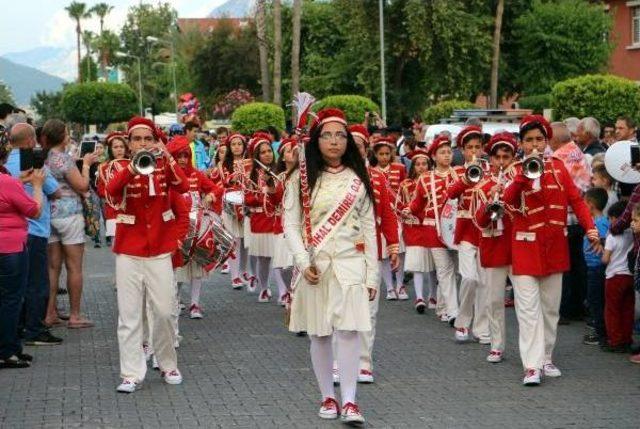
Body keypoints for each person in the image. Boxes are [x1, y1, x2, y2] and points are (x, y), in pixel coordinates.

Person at [284, 108, 378, 424]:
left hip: (351, 265)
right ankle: (327, 396)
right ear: (317, 140)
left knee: (350, 333)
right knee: (320, 334)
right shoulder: (302, 177)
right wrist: (301, 260)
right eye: (327, 135)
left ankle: (350, 400)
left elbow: (369, 228)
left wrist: (372, 274)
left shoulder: (358, 180)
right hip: (315, 266)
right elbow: (290, 224)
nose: (334, 141)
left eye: (340, 135)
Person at [502, 115, 600, 386]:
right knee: (528, 311)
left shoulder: (558, 168)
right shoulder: (514, 170)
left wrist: (591, 229)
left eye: (539, 140)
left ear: (547, 142)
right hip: (524, 248)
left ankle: (546, 356)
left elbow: (577, 202)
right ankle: (531, 366)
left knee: (550, 310)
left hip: (555, 247)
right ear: (521, 144)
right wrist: (523, 176)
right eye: (529, 140)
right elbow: (506, 201)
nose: (534, 145)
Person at [106, 116, 190, 393]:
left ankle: (167, 363)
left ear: (155, 140)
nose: (143, 143)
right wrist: (132, 167)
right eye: (137, 139)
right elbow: (111, 190)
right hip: (129, 249)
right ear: (129, 144)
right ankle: (131, 372)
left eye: (148, 138)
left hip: (160, 248)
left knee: (165, 311)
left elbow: (183, 187)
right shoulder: (118, 167)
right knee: (129, 315)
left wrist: (166, 154)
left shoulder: (164, 165)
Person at [3, 117, 63, 346]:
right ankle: (35, 330)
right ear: (30, 140)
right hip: (35, 230)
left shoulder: (4, 164)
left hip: (12, 235)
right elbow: (54, 191)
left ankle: (16, 329)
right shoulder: (37, 163)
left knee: (14, 286)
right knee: (37, 282)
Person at [43, 119, 98, 329]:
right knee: (74, 267)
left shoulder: (44, 158)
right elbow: (82, 185)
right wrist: (85, 165)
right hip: (70, 214)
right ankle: (75, 315)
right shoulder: (64, 160)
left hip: (50, 215)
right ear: (64, 136)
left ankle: (50, 312)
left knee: (52, 267)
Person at [0, 130, 45, 368]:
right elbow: (34, 210)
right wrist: (36, 185)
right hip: (10, 248)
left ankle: (12, 347)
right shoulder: (6, 182)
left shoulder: (9, 181)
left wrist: (22, 180)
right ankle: (7, 351)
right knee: (11, 300)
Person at [473, 132, 517, 363]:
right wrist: (491, 200)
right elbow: (479, 222)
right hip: (493, 248)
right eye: (497, 157)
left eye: (506, 156)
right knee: (494, 300)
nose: (501, 162)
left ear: (513, 157)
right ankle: (497, 344)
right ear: (491, 159)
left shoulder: (522, 180)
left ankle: (531, 348)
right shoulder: (482, 186)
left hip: (517, 247)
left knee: (526, 303)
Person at [167, 135, 222, 319]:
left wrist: (210, 196)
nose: (182, 159)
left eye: (185, 155)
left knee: (197, 266)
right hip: (177, 227)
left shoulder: (196, 174)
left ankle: (195, 304)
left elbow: (216, 188)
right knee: (179, 267)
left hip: (197, 226)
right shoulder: (169, 176)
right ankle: (174, 300)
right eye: (178, 156)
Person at [407, 135, 460, 323]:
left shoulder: (459, 174)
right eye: (442, 152)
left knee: (454, 271)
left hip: (456, 229)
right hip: (433, 230)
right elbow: (417, 203)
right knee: (444, 270)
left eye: (449, 152)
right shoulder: (425, 179)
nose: (447, 155)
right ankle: (454, 312)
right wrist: (406, 211)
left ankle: (443, 306)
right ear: (434, 156)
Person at [447, 125, 489, 343]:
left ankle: (481, 329)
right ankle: (462, 322)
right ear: (462, 150)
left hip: (485, 231)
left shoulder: (489, 171)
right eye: (469, 148)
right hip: (465, 230)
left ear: (482, 149)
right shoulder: (455, 171)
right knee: (469, 278)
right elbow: (451, 194)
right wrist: (466, 176)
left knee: (484, 282)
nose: (474, 152)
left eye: (477, 147)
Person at [397, 147, 436, 313]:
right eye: (418, 164)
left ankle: (433, 295)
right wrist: (408, 215)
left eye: (424, 164)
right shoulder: (406, 184)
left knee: (434, 264)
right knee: (417, 264)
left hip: (432, 225)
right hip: (413, 227)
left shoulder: (434, 181)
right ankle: (419, 297)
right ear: (413, 167)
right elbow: (399, 205)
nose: (421, 167)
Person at [245, 132, 282, 303]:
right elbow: (247, 198)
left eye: (269, 151)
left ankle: (284, 291)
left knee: (280, 257)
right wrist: (262, 192)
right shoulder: (251, 175)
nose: (267, 154)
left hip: (277, 219)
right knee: (263, 259)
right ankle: (264, 287)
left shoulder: (280, 171)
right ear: (257, 156)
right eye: (263, 152)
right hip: (259, 220)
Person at [370, 136, 407, 300]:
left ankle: (400, 285)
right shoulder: (372, 171)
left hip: (398, 214)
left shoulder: (399, 168)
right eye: (381, 154)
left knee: (400, 251)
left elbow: (404, 191)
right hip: (382, 217)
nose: (384, 157)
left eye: (387, 153)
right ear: (376, 155)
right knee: (384, 253)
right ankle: (389, 287)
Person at [601, 201, 635, 353]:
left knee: (612, 310)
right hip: (629, 275)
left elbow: (606, 259)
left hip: (614, 276)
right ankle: (627, 339)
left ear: (615, 218)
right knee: (628, 309)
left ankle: (615, 340)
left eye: (610, 219)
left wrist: (602, 254)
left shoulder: (611, 236)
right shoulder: (632, 234)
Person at [581, 187, 609, 347]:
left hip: (598, 268)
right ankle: (598, 328)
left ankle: (600, 332)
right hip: (593, 267)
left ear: (590, 205)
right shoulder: (594, 222)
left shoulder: (600, 223)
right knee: (594, 299)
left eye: (584, 203)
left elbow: (605, 243)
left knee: (596, 300)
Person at [96, 132, 129, 247]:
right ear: (110, 149)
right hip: (113, 210)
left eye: (122, 147)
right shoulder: (103, 167)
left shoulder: (132, 164)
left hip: (132, 210)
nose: (119, 150)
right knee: (118, 247)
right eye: (115, 147)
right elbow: (101, 190)